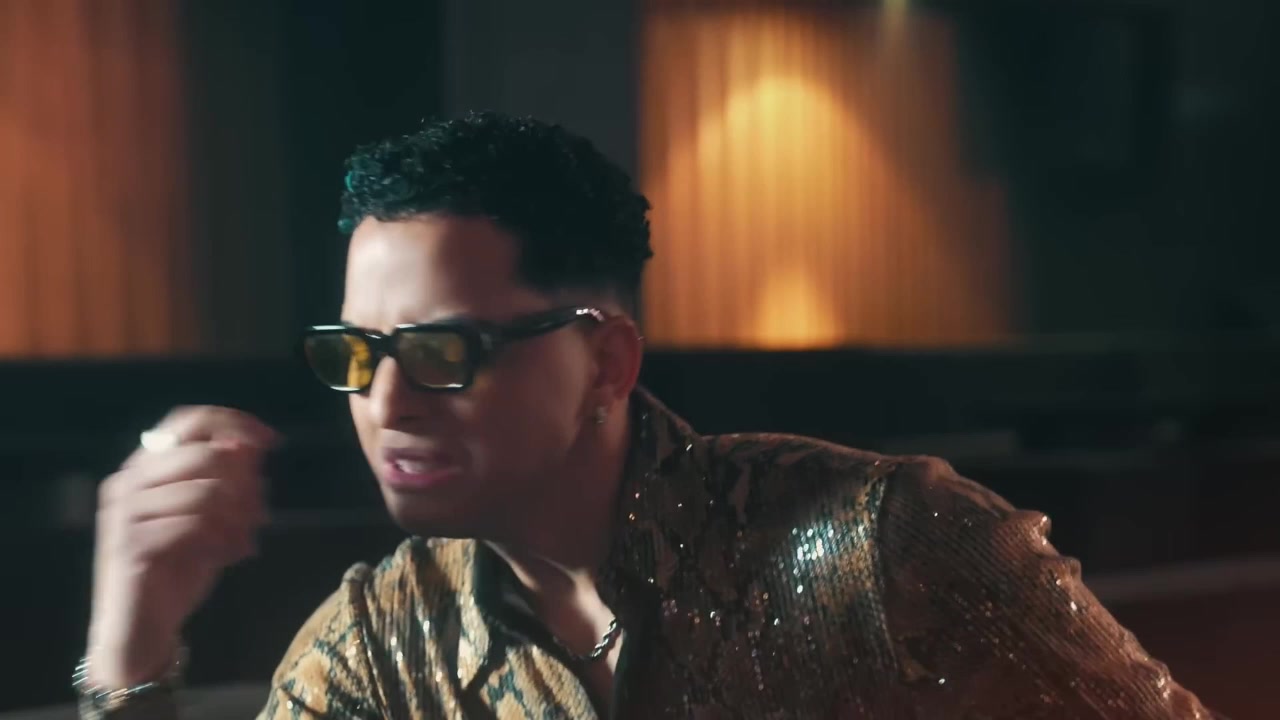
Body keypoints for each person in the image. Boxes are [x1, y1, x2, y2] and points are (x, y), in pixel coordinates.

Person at [80, 112, 1221, 719]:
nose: (385, 405)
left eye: (441, 354)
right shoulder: (383, 641)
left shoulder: (882, 546)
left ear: (605, 361)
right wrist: (132, 639)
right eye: (355, 355)